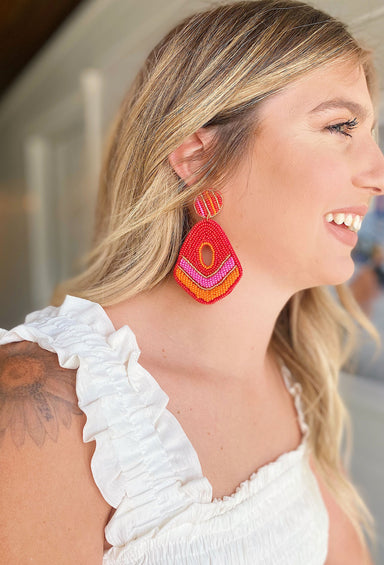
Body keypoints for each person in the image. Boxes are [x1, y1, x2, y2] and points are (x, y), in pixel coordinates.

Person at [1, 1, 383, 563]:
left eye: (371, 132)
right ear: (199, 158)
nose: (377, 171)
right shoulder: (42, 405)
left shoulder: (294, 377)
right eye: (340, 127)